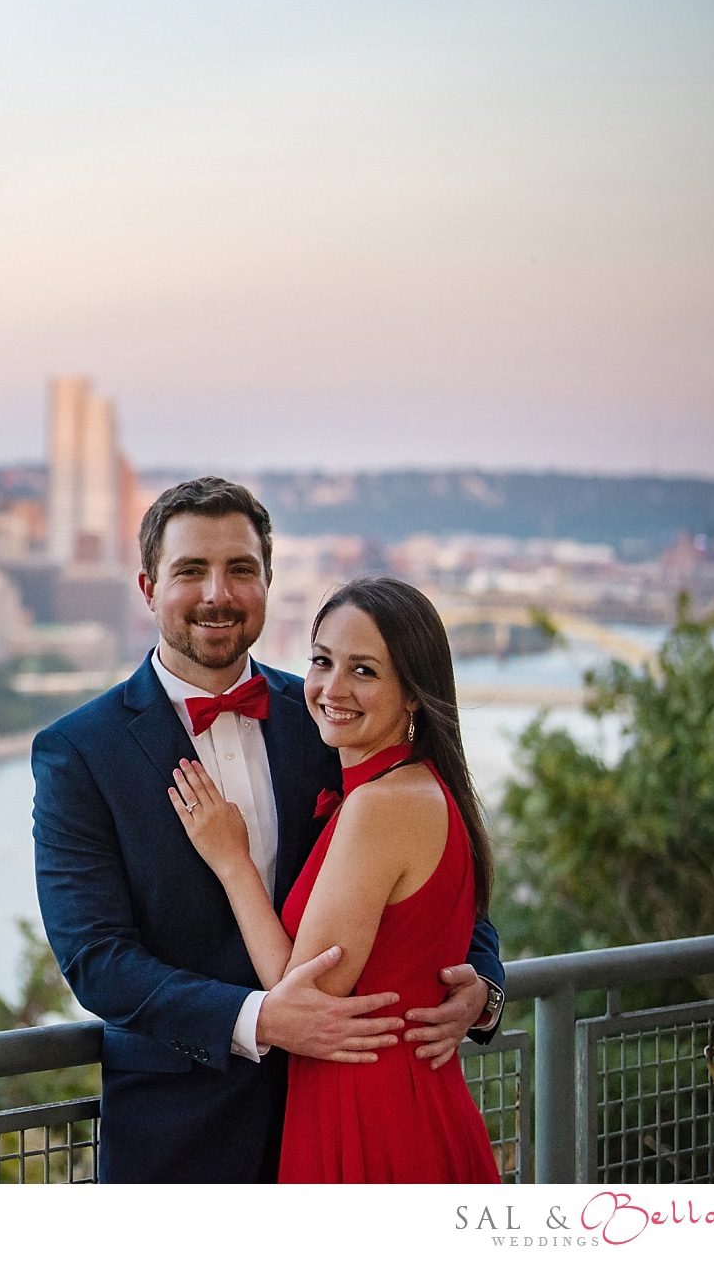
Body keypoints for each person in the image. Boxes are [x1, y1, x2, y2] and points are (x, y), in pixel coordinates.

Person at [31, 477, 504, 1182]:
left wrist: (485, 987)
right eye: (191, 571)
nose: (217, 593)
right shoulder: (79, 752)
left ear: (267, 583)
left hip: (347, 1110)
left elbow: (431, 878)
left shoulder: (330, 716)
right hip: (180, 1137)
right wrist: (260, 1019)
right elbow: (96, 959)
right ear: (148, 588)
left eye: (241, 570)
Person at [168, 575, 501, 1181]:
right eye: (323, 661)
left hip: (372, 1113)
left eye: (365, 671)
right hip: (396, 1092)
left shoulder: (383, 804)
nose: (332, 688)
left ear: (414, 697)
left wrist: (231, 860)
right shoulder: (408, 786)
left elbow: (308, 993)